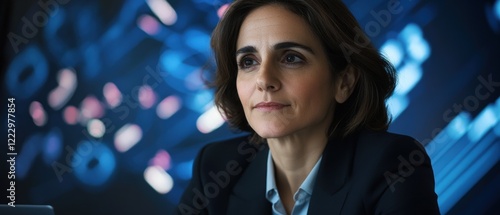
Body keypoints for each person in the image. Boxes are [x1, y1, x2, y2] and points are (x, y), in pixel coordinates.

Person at [176, 0, 440, 214]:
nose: (264, 80)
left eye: (291, 58)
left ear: (343, 82)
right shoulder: (214, 168)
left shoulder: (392, 165)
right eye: (248, 62)